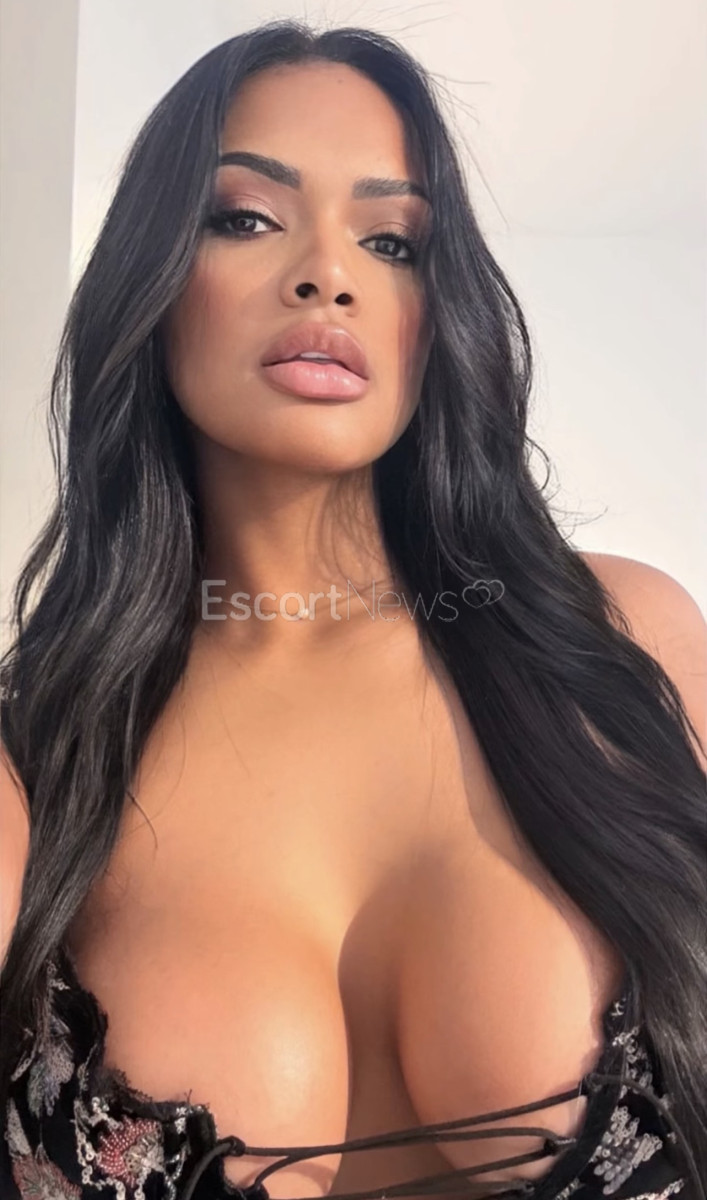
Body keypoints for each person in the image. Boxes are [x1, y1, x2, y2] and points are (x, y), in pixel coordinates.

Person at [1, 18, 705, 1200]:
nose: (327, 274)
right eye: (245, 218)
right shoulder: (37, 761)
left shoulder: (625, 640)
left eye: (390, 241)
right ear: (150, 281)